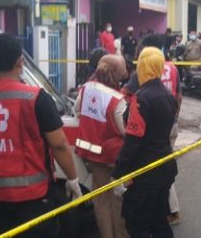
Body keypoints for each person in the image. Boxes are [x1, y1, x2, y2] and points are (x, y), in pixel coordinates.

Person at [0, 34, 83, 238]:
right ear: (20, 62)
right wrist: (72, 179)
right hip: (33, 197)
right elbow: (59, 144)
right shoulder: (36, 98)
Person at [113, 47, 178, 238]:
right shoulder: (169, 96)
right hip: (165, 166)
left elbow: (133, 141)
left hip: (144, 172)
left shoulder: (141, 98)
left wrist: (119, 173)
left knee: (137, 225)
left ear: (141, 66)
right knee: (159, 223)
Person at [74, 55, 129, 238]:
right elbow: (124, 131)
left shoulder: (86, 88)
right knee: (119, 200)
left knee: (101, 201)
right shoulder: (117, 99)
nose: (126, 73)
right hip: (115, 158)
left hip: (93, 153)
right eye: (123, 70)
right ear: (116, 74)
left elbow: (77, 111)